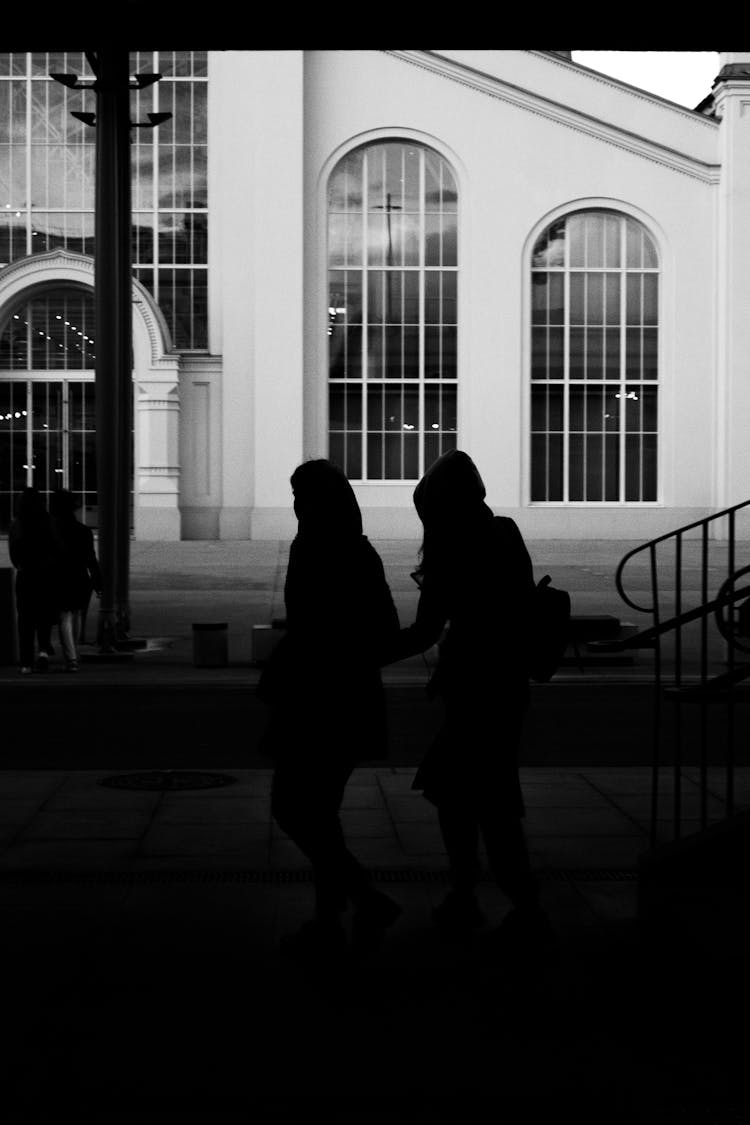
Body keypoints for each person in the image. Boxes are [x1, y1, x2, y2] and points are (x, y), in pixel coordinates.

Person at [384, 449, 554, 955]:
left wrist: (362, 653)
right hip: (504, 686)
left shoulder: (451, 546)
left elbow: (425, 631)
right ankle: (471, 893)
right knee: (468, 794)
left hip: (475, 690)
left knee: (481, 801)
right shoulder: (504, 531)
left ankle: (520, 906)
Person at [258, 459, 402, 962]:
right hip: (347, 696)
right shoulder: (358, 551)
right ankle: (334, 915)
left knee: (296, 809)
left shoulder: (313, 548)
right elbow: (383, 627)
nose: (298, 504)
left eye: (303, 495)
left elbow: (312, 627)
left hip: (315, 699)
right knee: (319, 814)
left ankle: (357, 900)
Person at [49, 489, 102, 672]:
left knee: (64, 616)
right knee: (76, 613)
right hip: (80, 578)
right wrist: (98, 583)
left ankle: (71, 658)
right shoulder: (83, 531)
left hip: (60, 577)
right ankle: (74, 653)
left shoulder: (51, 531)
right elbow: (91, 559)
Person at [8, 487, 57, 675]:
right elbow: (56, 547)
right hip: (45, 575)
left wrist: (20, 564)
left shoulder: (17, 524)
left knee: (25, 620)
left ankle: (26, 662)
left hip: (26, 574)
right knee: (44, 616)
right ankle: (43, 652)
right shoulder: (48, 522)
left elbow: (13, 551)